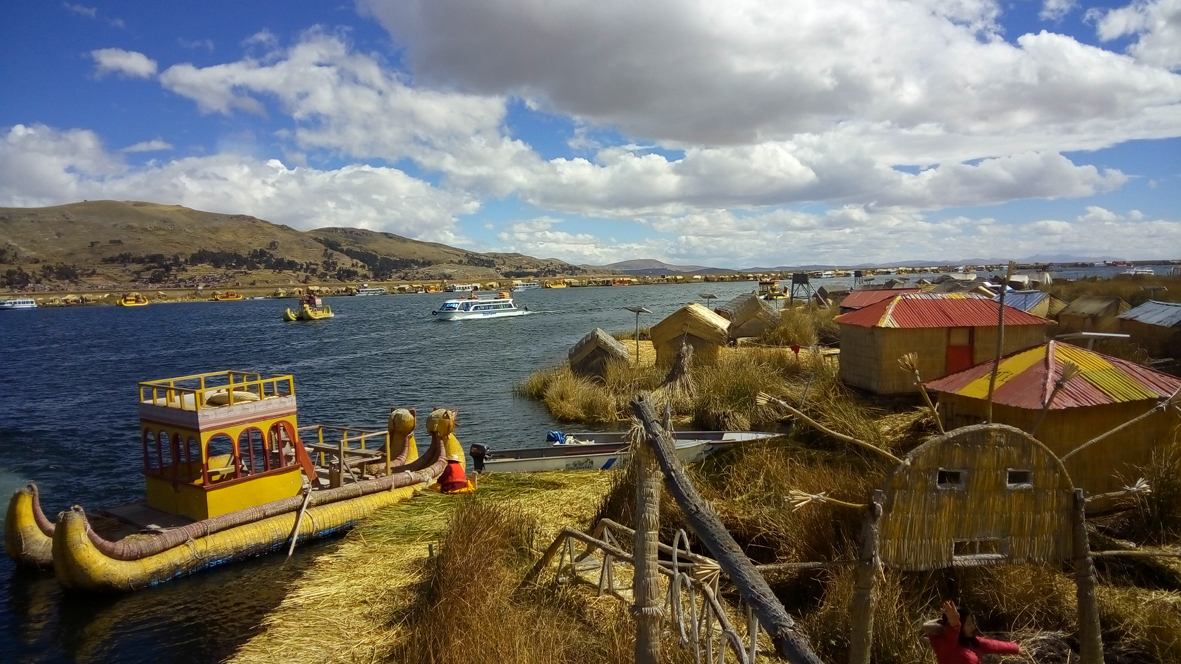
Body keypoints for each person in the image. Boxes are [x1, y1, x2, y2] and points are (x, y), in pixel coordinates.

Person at [924, 600, 1022, 664]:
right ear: (961, 626)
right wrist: (954, 622)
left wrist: (1015, 648)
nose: (973, 627)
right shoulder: (947, 646)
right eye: (969, 624)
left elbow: (991, 644)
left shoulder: (969, 641)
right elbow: (952, 633)